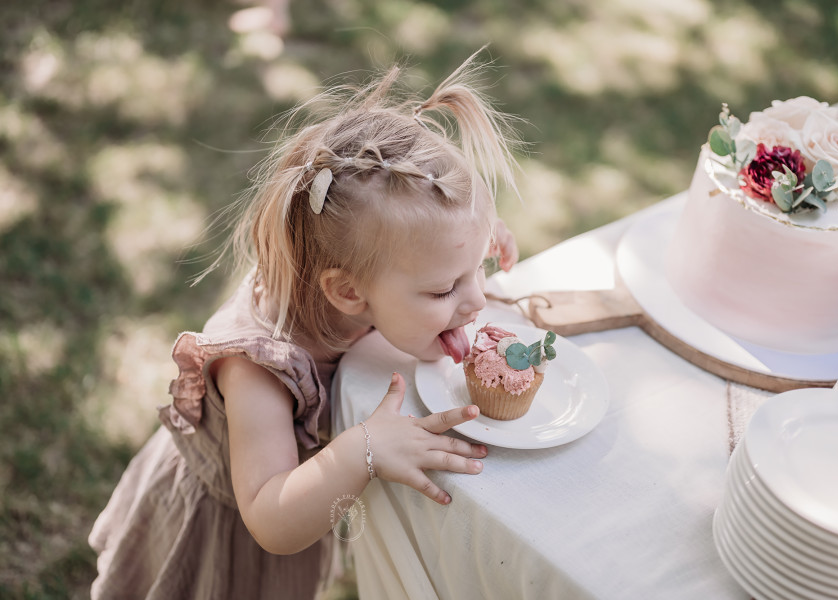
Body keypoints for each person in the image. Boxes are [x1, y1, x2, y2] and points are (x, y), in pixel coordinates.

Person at [88, 50, 522, 599]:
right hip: (222, 540)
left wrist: (469, 249)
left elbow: (427, 246)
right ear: (347, 292)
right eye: (444, 288)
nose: (476, 298)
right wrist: (362, 449)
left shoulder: (365, 269)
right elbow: (271, 519)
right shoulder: (260, 370)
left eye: (476, 266)